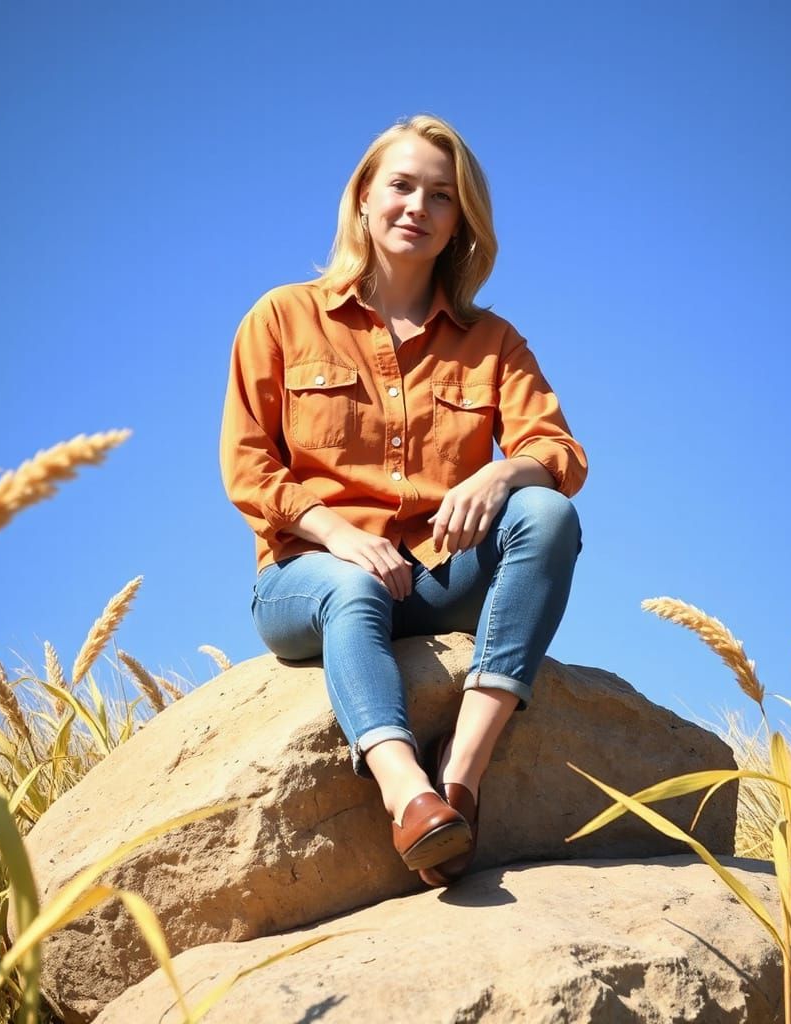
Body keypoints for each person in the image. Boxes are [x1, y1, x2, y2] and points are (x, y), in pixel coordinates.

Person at [220, 114, 587, 887]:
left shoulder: (494, 342)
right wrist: (331, 532)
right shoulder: (282, 317)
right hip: (309, 579)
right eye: (401, 185)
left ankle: (461, 770)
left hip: (433, 579)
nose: (417, 206)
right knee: (349, 584)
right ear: (363, 197)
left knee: (548, 512)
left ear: (461, 224)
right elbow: (248, 465)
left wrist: (500, 474)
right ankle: (406, 794)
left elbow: (559, 453)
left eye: (441, 196)